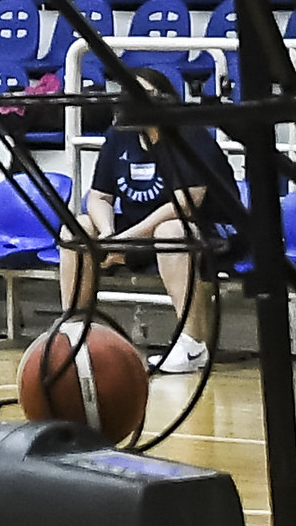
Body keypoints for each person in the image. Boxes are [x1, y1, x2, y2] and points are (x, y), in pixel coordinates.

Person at [67, 67, 221, 375]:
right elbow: (99, 196)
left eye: (141, 93)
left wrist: (126, 240)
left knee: (172, 230)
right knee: (78, 229)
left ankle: (192, 345)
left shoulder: (189, 134)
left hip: (207, 232)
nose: (131, 100)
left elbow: (187, 203)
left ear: (163, 99)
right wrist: (109, 233)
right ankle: (74, 334)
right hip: (137, 233)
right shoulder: (118, 136)